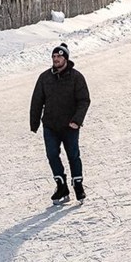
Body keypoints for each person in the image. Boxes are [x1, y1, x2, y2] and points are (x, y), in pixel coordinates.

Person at [30, 43, 91, 204]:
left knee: (73, 156)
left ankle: (78, 185)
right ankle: (61, 185)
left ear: (66, 58)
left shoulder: (76, 77)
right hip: (50, 125)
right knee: (52, 155)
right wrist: (34, 123)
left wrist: (77, 121)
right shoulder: (45, 77)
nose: (56, 59)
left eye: (59, 56)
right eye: (54, 57)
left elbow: (84, 100)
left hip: (69, 125)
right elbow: (37, 101)